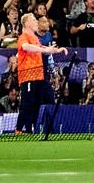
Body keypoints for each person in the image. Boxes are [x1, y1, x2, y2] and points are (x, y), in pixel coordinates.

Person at [12, 12, 66, 140]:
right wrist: (45, 50)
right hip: (28, 75)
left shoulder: (35, 39)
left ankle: (32, 130)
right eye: (34, 20)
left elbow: (41, 47)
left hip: (39, 76)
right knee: (27, 103)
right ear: (27, 23)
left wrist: (55, 50)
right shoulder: (23, 37)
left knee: (37, 103)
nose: (36, 22)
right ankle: (19, 129)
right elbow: (26, 47)